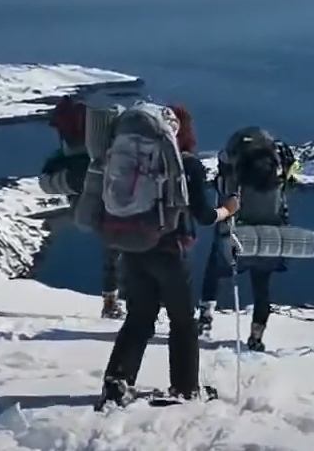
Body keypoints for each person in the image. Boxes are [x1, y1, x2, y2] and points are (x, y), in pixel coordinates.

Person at [96, 102, 240, 408]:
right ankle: (186, 389)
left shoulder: (134, 159)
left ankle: (116, 384)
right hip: (169, 251)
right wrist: (226, 210)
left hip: (133, 246)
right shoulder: (187, 164)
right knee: (182, 322)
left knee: (139, 317)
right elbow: (202, 215)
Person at [197, 127, 302, 352]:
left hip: (236, 235)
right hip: (269, 235)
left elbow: (223, 188)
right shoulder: (278, 167)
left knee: (213, 271)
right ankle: (256, 336)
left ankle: (205, 317)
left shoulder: (235, 169)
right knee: (262, 287)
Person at [37, 96, 124, 319]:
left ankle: (112, 301)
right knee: (124, 250)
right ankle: (120, 302)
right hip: (112, 204)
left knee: (115, 250)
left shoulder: (69, 153)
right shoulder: (99, 145)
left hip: (93, 206)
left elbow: (48, 176)